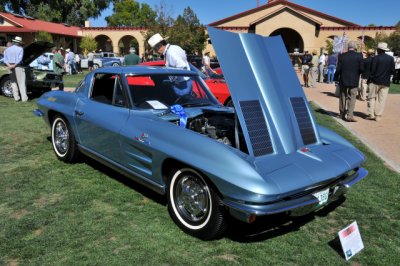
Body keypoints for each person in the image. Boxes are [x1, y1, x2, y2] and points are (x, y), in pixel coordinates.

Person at [333, 41, 364, 122]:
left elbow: (338, 69)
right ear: (355, 48)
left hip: (343, 79)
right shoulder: (359, 56)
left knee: (342, 96)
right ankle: (350, 115)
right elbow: (361, 69)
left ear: (348, 47)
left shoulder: (342, 56)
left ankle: (342, 114)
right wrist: (358, 74)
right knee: (352, 97)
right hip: (354, 79)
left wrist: (335, 78)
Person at [367, 42, 395, 121]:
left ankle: (371, 114)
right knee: (381, 100)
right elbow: (393, 71)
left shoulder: (375, 58)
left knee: (371, 98)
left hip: (375, 81)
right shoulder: (391, 58)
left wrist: (370, 79)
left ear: (378, 49)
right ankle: (378, 116)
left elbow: (372, 70)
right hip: (385, 82)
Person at [3, 36, 28, 102]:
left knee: (13, 83)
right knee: (21, 83)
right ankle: (24, 98)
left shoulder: (6, 49)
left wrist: (10, 65)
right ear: (19, 43)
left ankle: (16, 98)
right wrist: (14, 65)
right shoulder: (20, 49)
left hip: (10, 66)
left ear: (13, 42)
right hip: (18, 66)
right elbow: (19, 59)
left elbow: (5, 60)